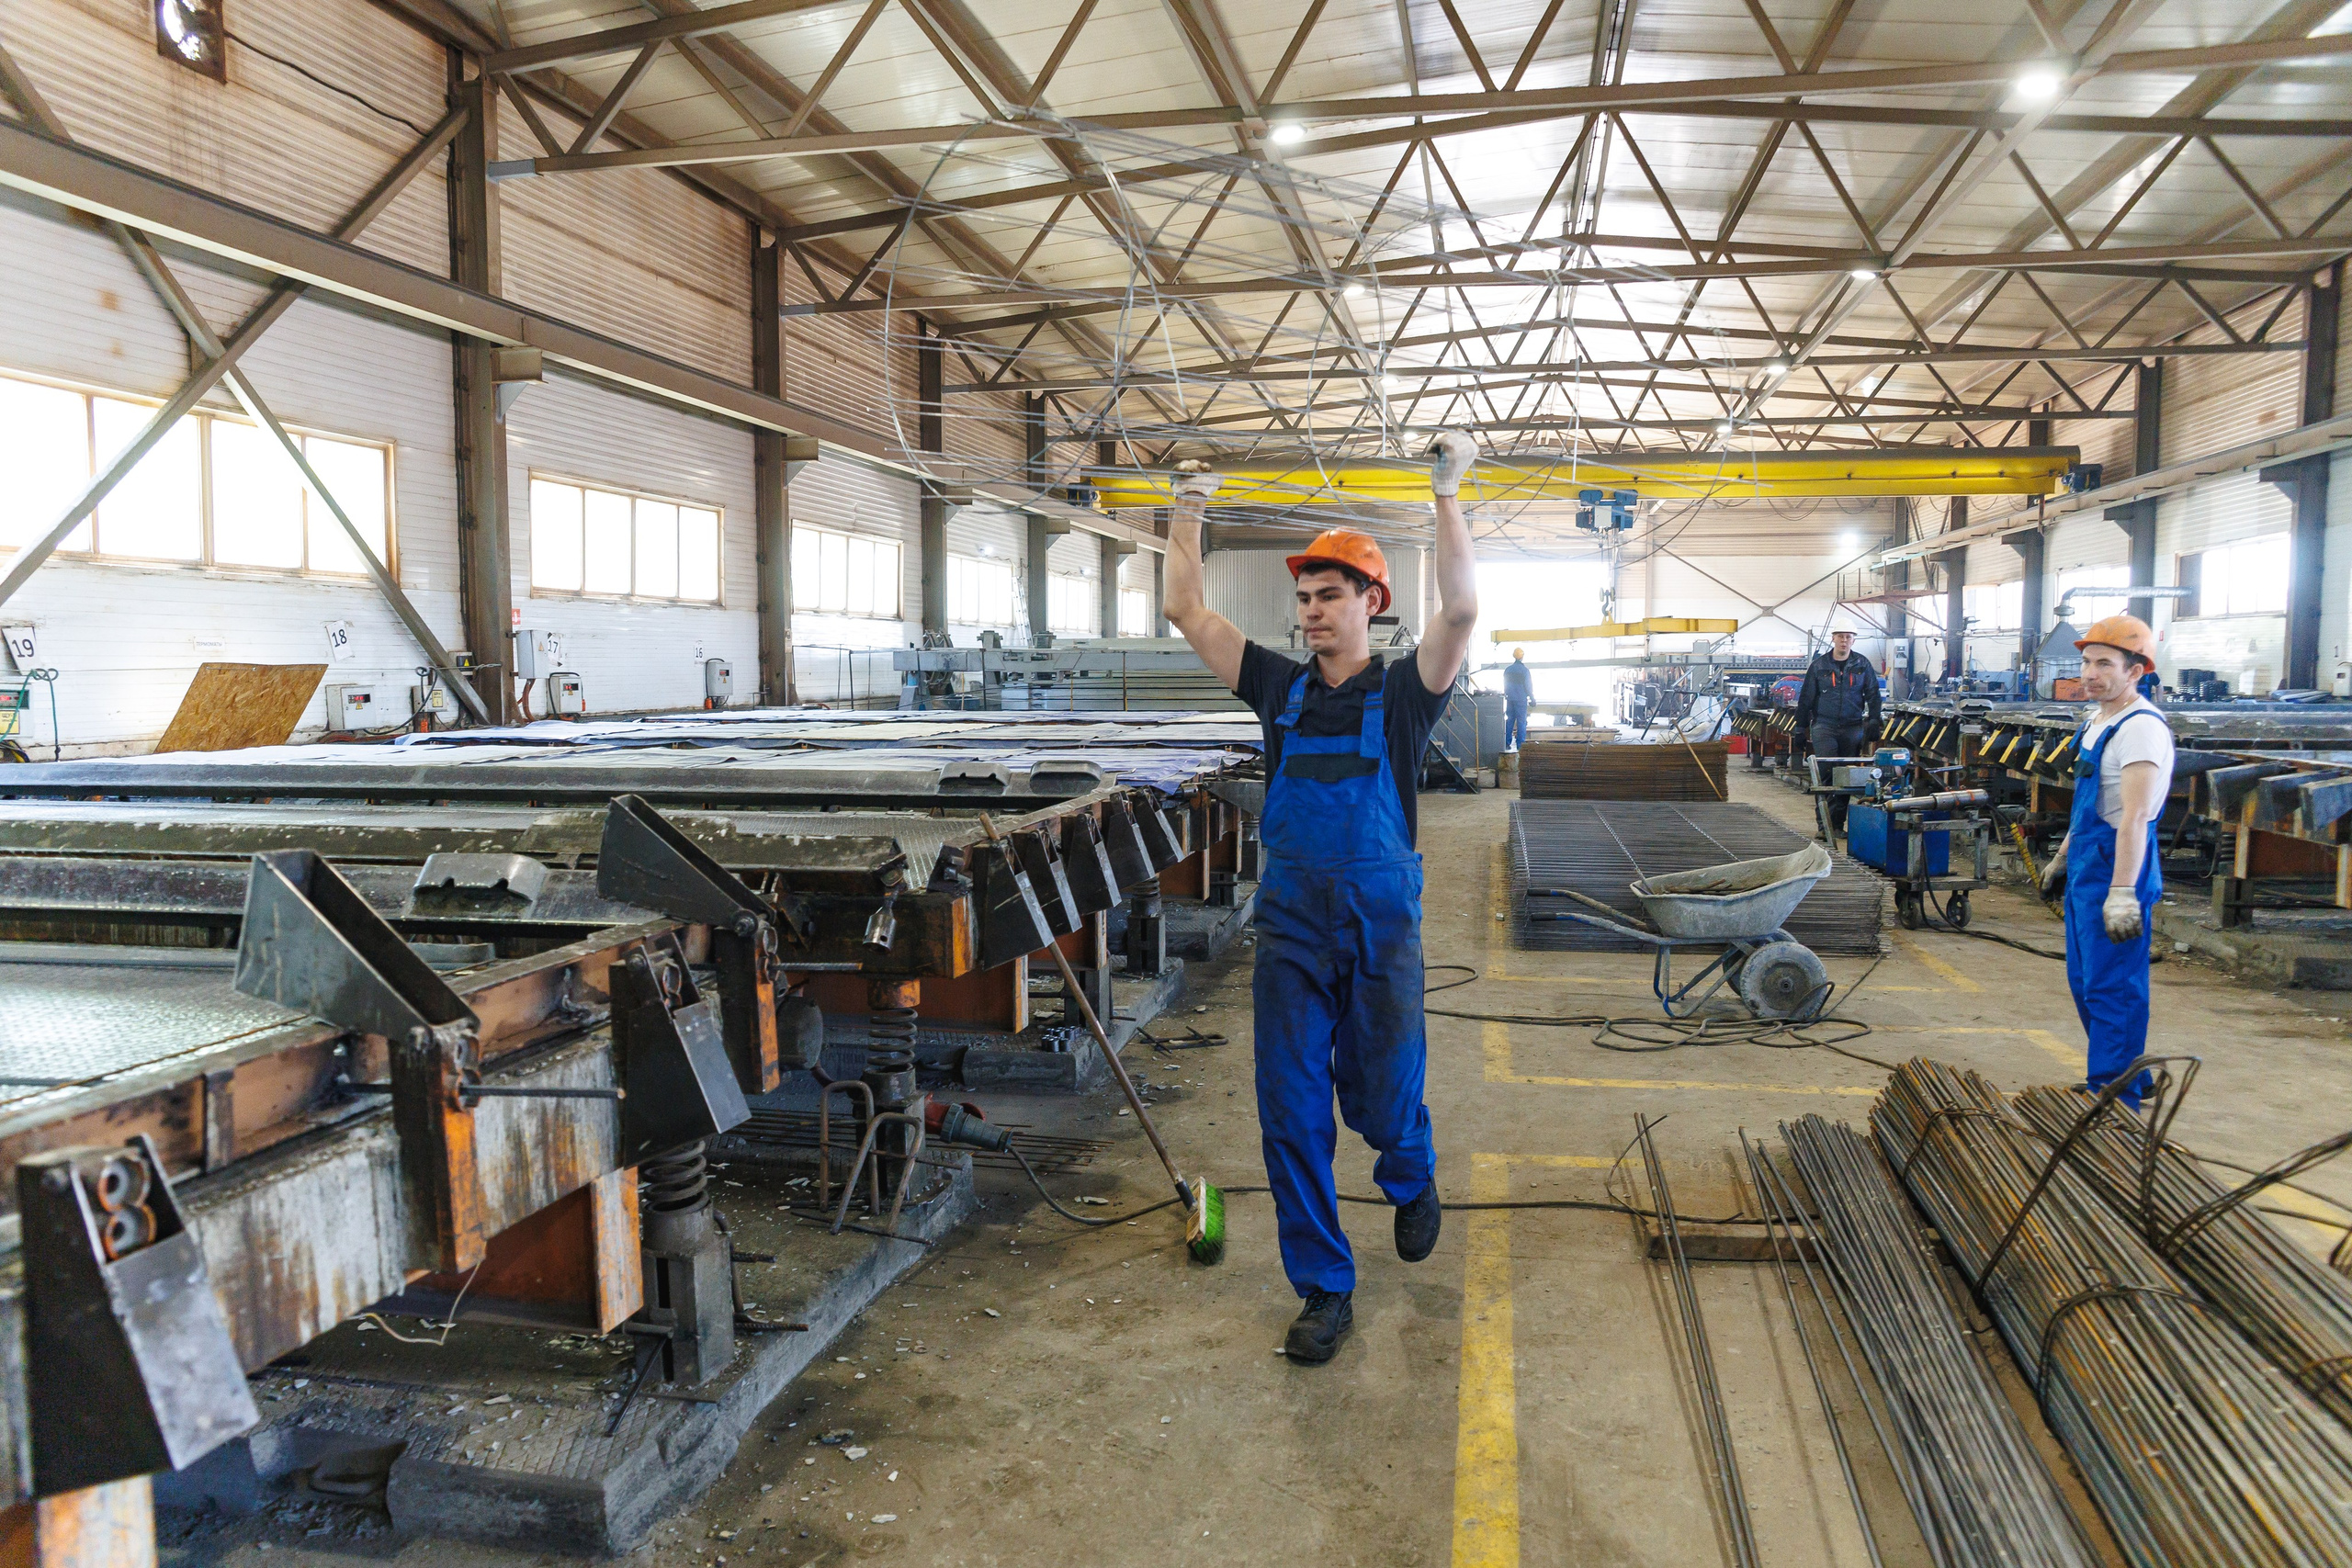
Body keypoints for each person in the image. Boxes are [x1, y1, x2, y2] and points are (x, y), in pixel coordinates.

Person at [1161, 433, 1480, 1365]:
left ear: (1371, 602)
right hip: (1293, 928)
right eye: (1301, 597)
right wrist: (1188, 505)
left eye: (1327, 595)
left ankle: (1410, 1171)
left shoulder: (1406, 693)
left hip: (1380, 933)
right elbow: (1184, 604)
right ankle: (1323, 1287)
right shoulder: (1276, 690)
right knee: (1291, 1106)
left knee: (1379, 1101)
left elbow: (1460, 608)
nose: (1308, 612)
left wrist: (1446, 495)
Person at [2036, 615, 2174, 1108]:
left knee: (2112, 987)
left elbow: (2135, 818)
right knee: (2086, 981)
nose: (2089, 673)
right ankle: (2124, 1076)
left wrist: (2121, 894)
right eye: (2086, 662)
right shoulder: (2099, 721)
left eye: (2104, 664)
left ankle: (2114, 1098)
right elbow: (2091, 804)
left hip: (2120, 869)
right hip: (2089, 864)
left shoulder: (2139, 730)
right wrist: (2062, 857)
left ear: (2136, 671)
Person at [1502, 648, 1532, 750]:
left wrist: (1508, 694)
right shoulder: (1524, 670)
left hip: (1510, 699)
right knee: (1521, 722)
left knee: (1510, 720)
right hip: (1520, 699)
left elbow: (1505, 685)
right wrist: (1532, 698)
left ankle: (1506, 743)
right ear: (1522, 657)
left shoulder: (1508, 670)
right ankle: (1520, 745)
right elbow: (1528, 686)